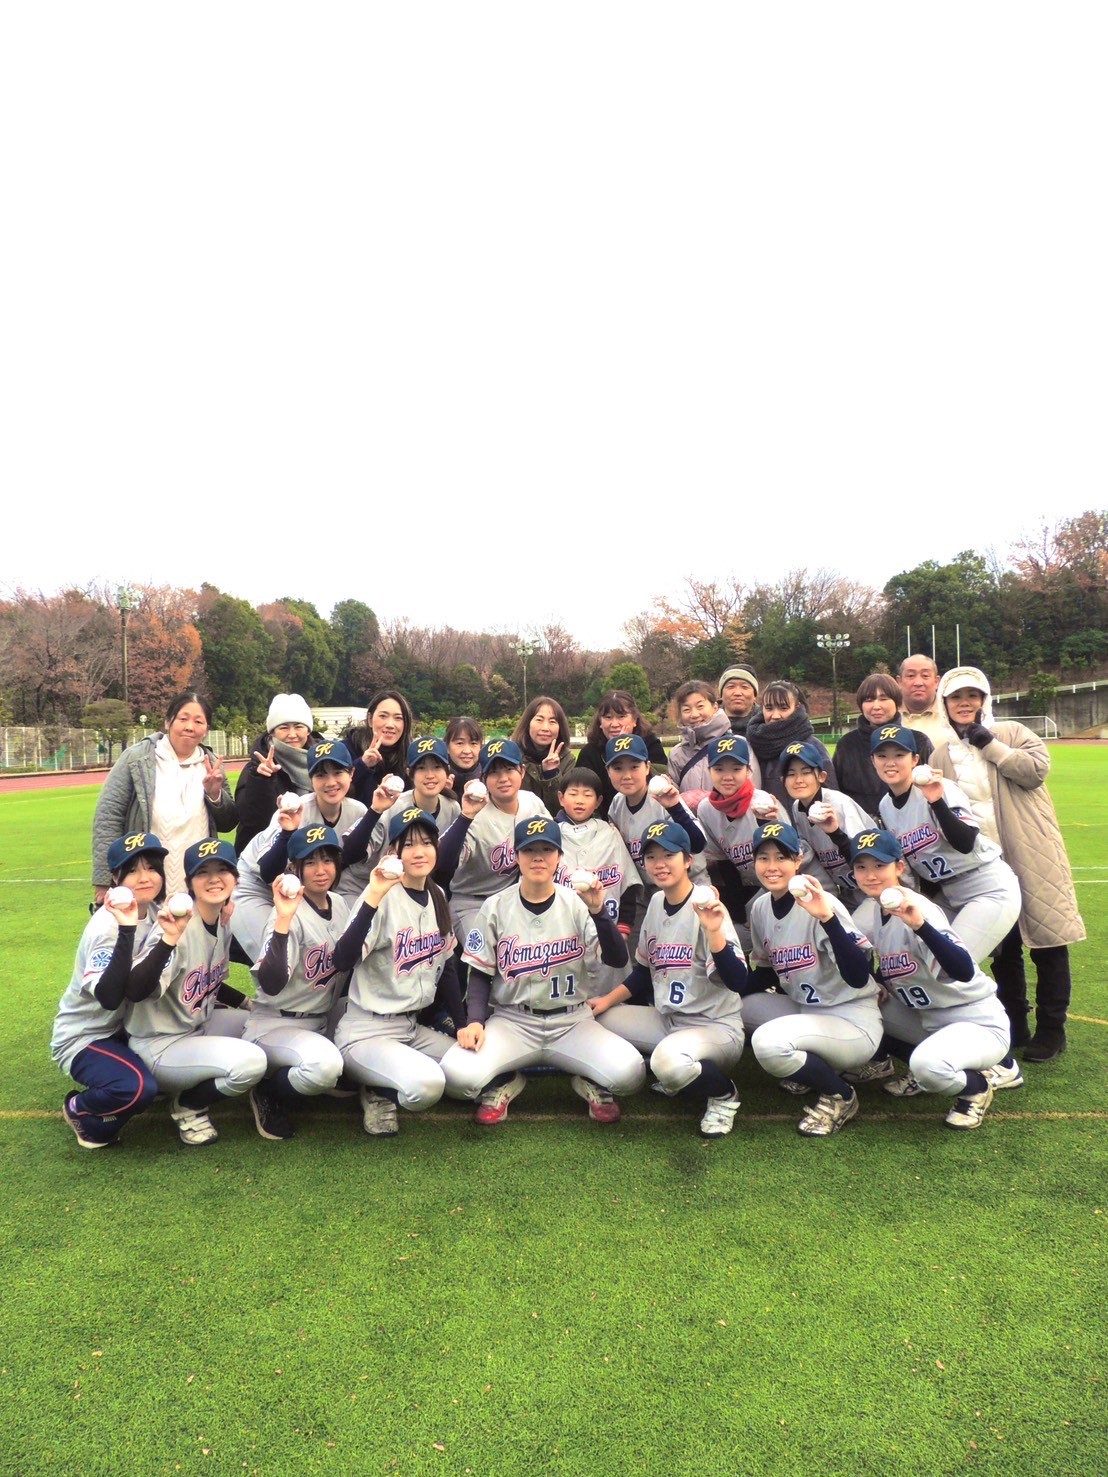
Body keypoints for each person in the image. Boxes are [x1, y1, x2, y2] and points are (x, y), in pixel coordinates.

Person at [440, 817, 647, 1125]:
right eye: (529, 850)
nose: (538, 857)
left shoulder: (578, 903)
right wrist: (476, 1022)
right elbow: (481, 972)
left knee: (630, 1074)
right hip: (514, 1022)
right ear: (516, 856)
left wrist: (598, 911)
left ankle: (587, 1077)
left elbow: (616, 959)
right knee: (457, 1077)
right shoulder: (495, 906)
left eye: (546, 850)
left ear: (559, 857)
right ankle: (507, 1080)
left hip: (572, 1022)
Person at [929, 667, 1085, 1062]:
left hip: (1031, 852)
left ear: (985, 700)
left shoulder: (1013, 732)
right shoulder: (941, 753)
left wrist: (990, 744)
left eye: (972, 695)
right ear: (944, 704)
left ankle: (1052, 1030)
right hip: (983, 865)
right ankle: (1015, 1022)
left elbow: (1035, 772)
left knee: (1049, 944)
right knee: (1004, 948)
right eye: (955, 697)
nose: (965, 703)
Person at [847, 829, 1017, 1127]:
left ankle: (976, 1089)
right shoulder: (880, 909)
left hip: (976, 1021)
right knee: (862, 1005)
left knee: (928, 1066)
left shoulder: (918, 909)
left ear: (899, 867)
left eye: (879, 865)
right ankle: (922, 1063)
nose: (870, 875)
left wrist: (921, 926)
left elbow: (962, 970)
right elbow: (899, 964)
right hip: (930, 1019)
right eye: (862, 867)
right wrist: (878, 983)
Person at [589, 821, 748, 1138]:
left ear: (687, 860)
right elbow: (643, 972)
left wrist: (714, 933)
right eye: (651, 857)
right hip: (670, 1021)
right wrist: (605, 1001)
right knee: (599, 1019)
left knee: (665, 1064)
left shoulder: (706, 904)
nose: (659, 864)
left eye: (668, 855)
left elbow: (737, 981)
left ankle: (723, 1095)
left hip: (715, 1027)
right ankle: (681, 1066)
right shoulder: (656, 903)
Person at [125, 839, 268, 1146]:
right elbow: (137, 989)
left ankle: (197, 1079)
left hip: (195, 1027)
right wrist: (168, 940)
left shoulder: (221, 920)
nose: (214, 879)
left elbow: (206, 980)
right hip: (159, 1043)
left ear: (236, 878)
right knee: (251, 1062)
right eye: (203, 872)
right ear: (190, 882)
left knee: (263, 1027)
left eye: (222, 870)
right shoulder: (177, 927)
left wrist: (246, 1002)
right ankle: (188, 1105)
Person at [743, 823, 881, 1137]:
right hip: (807, 1009)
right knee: (736, 1008)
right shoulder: (761, 907)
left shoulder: (821, 902)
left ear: (798, 859)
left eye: (781, 857)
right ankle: (814, 1066)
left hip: (850, 1018)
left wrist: (827, 918)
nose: (772, 866)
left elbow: (858, 975)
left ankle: (840, 1096)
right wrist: (722, 996)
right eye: (764, 858)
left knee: (769, 1044)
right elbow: (765, 972)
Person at [332, 809, 464, 1136]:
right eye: (409, 845)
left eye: (427, 843)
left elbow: (448, 966)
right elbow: (343, 960)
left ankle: (387, 1075)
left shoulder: (437, 895)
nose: (419, 852)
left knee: (472, 1076)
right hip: (367, 1031)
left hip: (410, 1028)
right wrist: (373, 896)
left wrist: (463, 1026)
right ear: (394, 852)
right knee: (427, 1085)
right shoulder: (379, 897)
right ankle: (376, 1089)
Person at [51, 832, 178, 1147]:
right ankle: (79, 1108)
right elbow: (108, 998)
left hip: (124, 1028)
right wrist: (126, 928)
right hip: (85, 1036)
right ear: (115, 879)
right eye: (132, 870)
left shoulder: (158, 912)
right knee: (137, 1089)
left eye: (151, 867)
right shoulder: (106, 926)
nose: (144, 877)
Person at [872, 725, 1021, 962]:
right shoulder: (885, 806)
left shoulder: (941, 788)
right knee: (921, 960)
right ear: (873, 761)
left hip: (985, 886)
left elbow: (965, 842)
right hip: (946, 895)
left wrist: (936, 801)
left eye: (899, 755)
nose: (890, 762)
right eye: (882, 756)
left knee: (952, 965)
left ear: (915, 760)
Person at [243, 825, 351, 1141]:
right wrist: (283, 919)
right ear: (295, 868)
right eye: (310, 862)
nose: (321, 870)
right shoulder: (286, 914)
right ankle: (268, 1092)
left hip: (321, 1016)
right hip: (277, 1023)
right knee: (325, 1068)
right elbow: (272, 983)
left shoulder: (339, 903)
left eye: (327, 860)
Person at [231, 741, 373, 964]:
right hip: (256, 888)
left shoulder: (357, 811)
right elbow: (268, 873)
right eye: (321, 775)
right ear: (310, 779)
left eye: (338, 772)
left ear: (352, 773)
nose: (330, 782)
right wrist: (288, 832)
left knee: (321, 956)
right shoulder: (296, 811)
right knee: (275, 959)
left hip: (298, 887)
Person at [91, 691, 236, 902]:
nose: (190, 727)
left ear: (206, 730)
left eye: (198, 721)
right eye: (183, 719)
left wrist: (215, 795)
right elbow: (108, 816)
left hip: (198, 883)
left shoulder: (212, 764)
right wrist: (104, 881)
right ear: (168, 722)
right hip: (144, 881)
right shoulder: (137, 759)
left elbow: (228, 822)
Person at [436, 739, 550, 950]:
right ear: (483, 779)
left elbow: (554, 849)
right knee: (492, 954)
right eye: (494, 772)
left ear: (522, 771)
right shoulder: (476, 818)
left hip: (514, 899)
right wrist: (466, 816)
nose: (503, 778)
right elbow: (441, 864)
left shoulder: (531, 802)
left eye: (509, 769)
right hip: (472, 903)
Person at [552, 765, 640, 993]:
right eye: (573, 794)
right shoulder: (550, 836)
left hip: (608, 928)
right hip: (563, 935)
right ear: (561, 798)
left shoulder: (609, 833)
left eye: (587, 794)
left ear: (599, 801)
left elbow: (627, 885)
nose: (580, 800)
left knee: (616, 992)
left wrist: (624, 927)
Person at [781, 741, 877, 903]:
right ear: (782, 780)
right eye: (791, 774)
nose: (798, 780)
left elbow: (866, 856)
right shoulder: (797, 808)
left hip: (875, 889)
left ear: (821, 776)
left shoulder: (839, 804)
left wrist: (835, 833)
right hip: (848, 892)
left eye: (806, 772)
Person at [832, 674, 934, 817]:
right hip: (861, 825)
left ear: (897, 702)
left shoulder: (919, 741)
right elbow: (835, 791)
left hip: (913, 823)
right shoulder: (847, 744)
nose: (876, 706)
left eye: (884, 699)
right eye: (869, 700)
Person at [233, 694, 324, 854]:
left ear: (308, 730)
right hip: (263, 854)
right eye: (284, 727)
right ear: (272, 732)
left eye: (298, 726)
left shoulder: (323, 763)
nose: (292, 734)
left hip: (311, 853)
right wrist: (261, 780)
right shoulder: (256, 767)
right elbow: (249, 818)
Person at [359, 736, 461, 872]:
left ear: (447, 771)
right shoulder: (392, 804)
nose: (430, 775)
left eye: (437, 767)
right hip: (368, 879)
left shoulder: (453, 808)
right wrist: (374, 810)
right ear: (409, 773)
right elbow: (354, 852)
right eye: (421, 768)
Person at [576, 691, 666, 819]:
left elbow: (660, 781)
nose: (614, 724)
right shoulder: (589, 753)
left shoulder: (650, 744)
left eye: (621, 716)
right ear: (600, 722)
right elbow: (582, 794)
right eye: (608, 717)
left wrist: (625, 747)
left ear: (634, 719)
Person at [744, 681, 835, 807]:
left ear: (797, 707)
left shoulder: (813, 747)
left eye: (783, 708)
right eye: (769, 708)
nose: (775, 715)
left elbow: (831, 797)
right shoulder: (752, 745)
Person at [665, 681, 737, 810]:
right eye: (686, 709)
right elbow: (672, 801)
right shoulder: (676, 754)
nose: (694, 714)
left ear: (715, 707)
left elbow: (751, 793)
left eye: (700, 706)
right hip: (688, 821)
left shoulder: (737, 744)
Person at [345, 690, 413, 806]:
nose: (390, 725)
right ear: (370, 720)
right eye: (383, 716)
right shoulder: (346, 750)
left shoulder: (411, 756)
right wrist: (363, 764)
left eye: (398, 718)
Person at [512, 696, 577, 812]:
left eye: (552, 722)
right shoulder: (512, 757)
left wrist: (551, 774)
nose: (545, 728)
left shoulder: (568, 760)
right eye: (539, 720)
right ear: (528, 723)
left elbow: (565, 809)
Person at [898, 654, 946, 743]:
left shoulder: (950, 714)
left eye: (925, 676)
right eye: (911, 676)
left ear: (936, 682)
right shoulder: (888, 713)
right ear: (899, 682)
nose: (918, 683)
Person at [444, 716, 484, 797]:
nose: (467, 751)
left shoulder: (489, 778)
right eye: (460, 743)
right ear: (447, 747)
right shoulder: (438, 781)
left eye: (473, 743)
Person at [718, 665, 761, 737]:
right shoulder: (707, 724)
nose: (737, 693)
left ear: (755, 695)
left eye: (744, 687)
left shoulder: (767, 722)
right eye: (731, 687)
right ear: (721, 694)